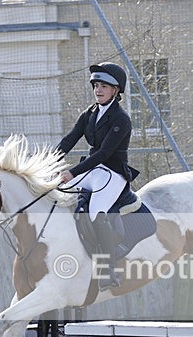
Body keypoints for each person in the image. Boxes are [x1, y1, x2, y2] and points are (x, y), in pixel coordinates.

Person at [56, 62, 139, 289]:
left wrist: (72, 172)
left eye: (104, 86)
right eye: (96, 86)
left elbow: (103, 154)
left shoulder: (121, 119)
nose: (98, 90)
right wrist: (49, 163)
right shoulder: (89, 113)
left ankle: (107, 269)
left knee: (95, 211)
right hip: (93, 169)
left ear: (115, 90)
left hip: (113, 172)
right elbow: (69, 139)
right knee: (58, 194)